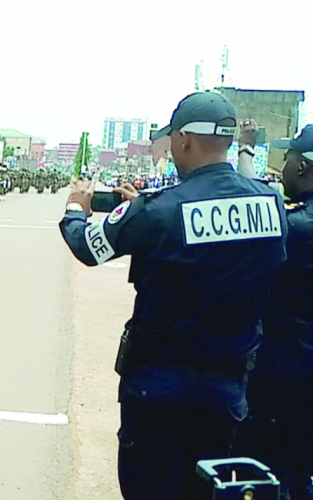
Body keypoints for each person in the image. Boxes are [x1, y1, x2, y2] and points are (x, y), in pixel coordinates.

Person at [59, 91, 288, 500]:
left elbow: (88, 247)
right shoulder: (269, 203)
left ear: (184, 140)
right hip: (227, 391)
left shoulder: (160, 210)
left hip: (158, 393)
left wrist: (76, 209)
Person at [235, 124, 313, 500]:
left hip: (284, 374)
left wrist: (246, 153)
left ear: (301, 168)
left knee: (266, 472)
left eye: (288, 159)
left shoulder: (296, 226)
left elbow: (253, 208)